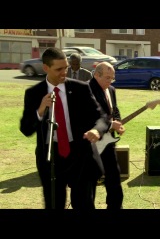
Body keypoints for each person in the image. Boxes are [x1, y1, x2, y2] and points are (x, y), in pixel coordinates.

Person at [20, 47, 111, 209]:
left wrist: (96, 130)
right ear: (46, 68)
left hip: (80, 156)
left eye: (66, 68)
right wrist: (40, 110)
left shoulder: (81, 89)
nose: (64, 72)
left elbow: (102, 117)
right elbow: (26, 129)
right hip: (51, 159)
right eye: (59, 69)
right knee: (54, 204)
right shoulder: (34, 93)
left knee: (84, 204)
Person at [89, 62, 125, 209]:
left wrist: (119, 123)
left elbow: (114, 110)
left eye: (112, 78)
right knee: (90, 179)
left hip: (109, 142)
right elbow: (92, 116)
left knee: (114, 177)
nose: (110, 81)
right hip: (92, 143)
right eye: (107, 77)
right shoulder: (87, 90)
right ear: (96, 75)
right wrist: (111, 125)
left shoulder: (111, 90)